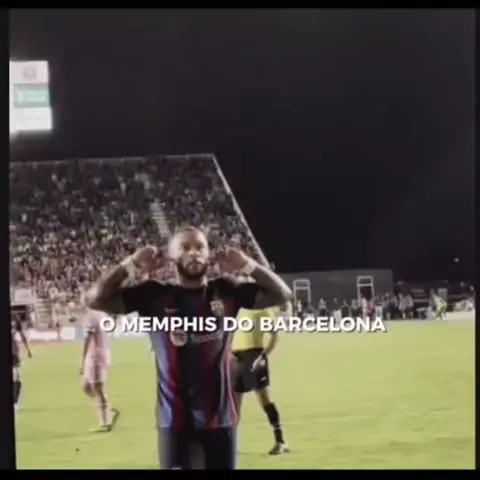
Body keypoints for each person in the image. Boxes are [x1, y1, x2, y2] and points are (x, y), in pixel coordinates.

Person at [86, 226, 292, 469]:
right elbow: (95, 299)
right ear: (171, 256)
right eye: (185, 248)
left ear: (208, 254)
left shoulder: (226, 290)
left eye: (200, 247)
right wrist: (132, 264)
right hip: (174, 423)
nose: (194, 253)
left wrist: (247, 264)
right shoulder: (153, 295)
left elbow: (282, 294)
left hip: (221, 421)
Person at [232, 304, 290, 455]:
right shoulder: (235, 309)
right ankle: (232, 445)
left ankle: (280, 441)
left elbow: (275, 335)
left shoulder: (262, 309)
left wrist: (263, 356)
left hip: (254, 355)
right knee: (234, 404)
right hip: (235, 358)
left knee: (265, 399)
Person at [80, 306, 119, 432]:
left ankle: (106, 422)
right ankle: (107, 410)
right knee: (86, 386)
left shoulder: (92, 315)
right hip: (98, 354)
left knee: (98, 388)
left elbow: (88, 338)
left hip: (96, 356)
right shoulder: (102, 314)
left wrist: (83, 359)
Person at [12, 318, 32, 412]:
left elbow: (22, 336)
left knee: (17, 378)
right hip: (13, 353)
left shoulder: (16, 322)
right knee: (15, 378)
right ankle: (14, 404)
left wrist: (28, 350)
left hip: (14, 354)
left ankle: (15, 403)